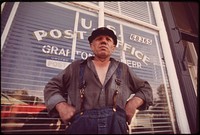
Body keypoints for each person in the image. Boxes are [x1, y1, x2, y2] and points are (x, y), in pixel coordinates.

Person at [44, 27, 153, 134]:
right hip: (81, 127)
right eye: (99, 39)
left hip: (116, 128)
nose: (104, 41)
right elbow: (52, 86)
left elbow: (145, 88)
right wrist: (61, 105)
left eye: (108, 39)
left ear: (113, 47)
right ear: (92, 46)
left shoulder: (123, 69)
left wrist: (133, 104)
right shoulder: (76, 67)